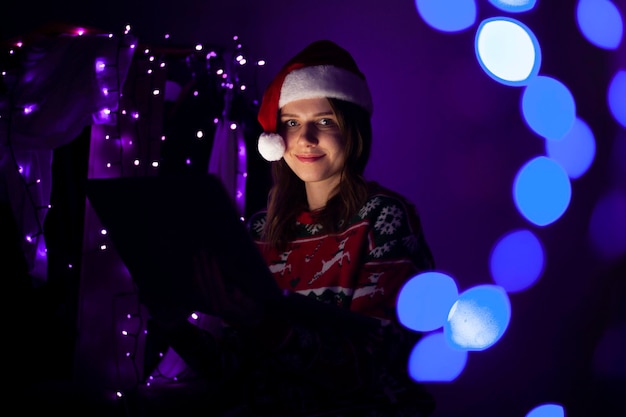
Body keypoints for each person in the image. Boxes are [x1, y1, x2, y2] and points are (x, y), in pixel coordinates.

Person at [190, 39, 436, 417]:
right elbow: (235, 368)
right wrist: (174, 325)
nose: (305, 139)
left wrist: (266, 325)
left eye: (324, 121)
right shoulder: (260, 229)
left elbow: (372, 366)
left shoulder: (384, 217)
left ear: (352, 130)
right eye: (291, 123)